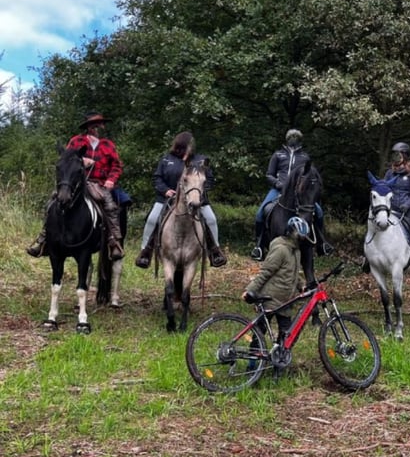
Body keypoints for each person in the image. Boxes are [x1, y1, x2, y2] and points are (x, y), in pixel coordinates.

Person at [27, 112, 125, 260]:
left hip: (100, 183)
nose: (101, 127)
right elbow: (66, 159)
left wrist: (111, 180)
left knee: (109, 206)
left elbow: (117, 166)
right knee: (52, 203)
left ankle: (113, 240)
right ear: (90, 127)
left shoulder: (108, 145)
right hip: (75, 182)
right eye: (98, 125)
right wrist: (82, 160)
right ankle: (44, 239)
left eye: (101, 124)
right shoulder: (76, 141)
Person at [135, 131, 227, 269]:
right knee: (152, 219)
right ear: (182, 144)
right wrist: (165, 190)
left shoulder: (201, 160)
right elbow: (157, 178)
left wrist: (199, 191)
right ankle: (145, 252)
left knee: (211, 219)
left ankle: (215, 251)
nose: (192, 146)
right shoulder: (167, 159)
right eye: (190, 143)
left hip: (195, 198)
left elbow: (210, 180)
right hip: (167, 198)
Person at [251, 128, 332, 260]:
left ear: (300, 140)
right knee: (260, 213)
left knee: (319, 212)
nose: (293, 139)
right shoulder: (277, 155)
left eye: (296, 137)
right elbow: (269, 175)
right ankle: (259, 246)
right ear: (287, 139)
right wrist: (278, 184)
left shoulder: (305, 157)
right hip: (278, 190)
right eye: (291, 137)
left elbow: (310, 175)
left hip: (299, 192)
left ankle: (322, 243)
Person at [242, 216, 310, 344]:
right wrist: (250, 290)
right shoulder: (281, 250)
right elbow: (266, 272)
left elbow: (292, 271)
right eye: (299, 236)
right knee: (260, 331)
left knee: (287, 333)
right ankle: (253, 361)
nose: (302, 239)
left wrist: (301, 285)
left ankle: (279, 359)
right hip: (270, 298)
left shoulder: (296, 251)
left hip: (286, 300)